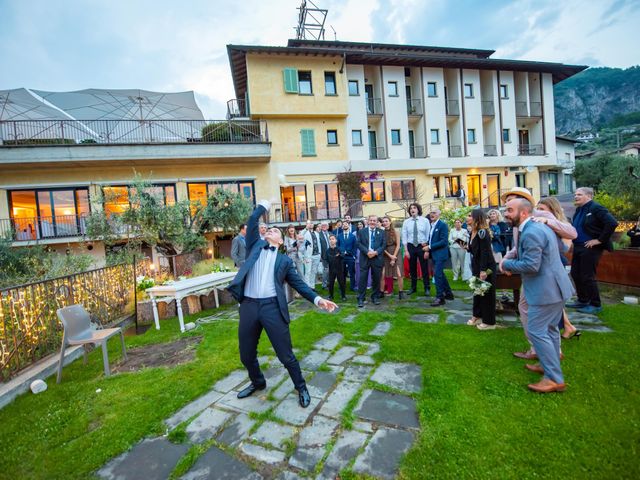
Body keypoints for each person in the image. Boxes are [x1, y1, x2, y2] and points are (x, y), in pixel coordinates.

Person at [226, 200, 337, 408]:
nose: (270, 230)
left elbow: (300, 285)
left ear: (280, 241)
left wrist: (318, 299)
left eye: (275, 230)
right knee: (246, 354)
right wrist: (263, 206)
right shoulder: (253, 246)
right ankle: (258, 382)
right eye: (269, 228)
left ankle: (301, 386)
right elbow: (252, 221)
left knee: (285, 355)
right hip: (249, 306)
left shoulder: (284, 261)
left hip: (272, 308)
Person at [502, 198, 574, 393]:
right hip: (555, 287)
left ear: (524, 213)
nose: (506, 213)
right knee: (549, 329)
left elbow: (531, 266)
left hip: (546, 290)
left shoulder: (532, 232)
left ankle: (553, 378)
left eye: (510, 210)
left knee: (536, 330)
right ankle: (547, 365)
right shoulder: (536, 227)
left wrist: (506, 264)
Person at [567, 187, 618, 314]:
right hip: (578, 246)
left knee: (587, 276)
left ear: (589, 196)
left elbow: (612, 223)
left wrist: (599, 240)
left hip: (591, 247)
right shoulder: (579, 209)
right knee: (575, 273)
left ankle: (596, 304)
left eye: (579, 194)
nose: (576, 197)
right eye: (575, 194)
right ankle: (583, 300)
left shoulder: (596, 208)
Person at [535, 197, 580, 340]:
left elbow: (566, 247)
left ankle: (564, 328)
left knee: (554, 299)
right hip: (543, 262)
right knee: (552, 300)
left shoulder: (561, 224)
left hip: (556, 262)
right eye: (538, 209)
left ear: (552, 211)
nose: (539, 212)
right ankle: (567, 326)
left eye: (542, 209)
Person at [467, 210, 497, 330]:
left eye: (470, 216)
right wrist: (466, 246)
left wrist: (483, 270)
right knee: (478, 292)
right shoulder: (472, 232)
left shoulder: (482, 232)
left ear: (476, 218)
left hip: (486, 266)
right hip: (477, 265)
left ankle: (489, 322)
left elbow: (485, 252)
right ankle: (477, 316)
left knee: (487, 294)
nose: (467, 217)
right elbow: (474, 249)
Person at [401, 202, 431, 297]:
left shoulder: (425, 221)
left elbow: (428, 234)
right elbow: (404, 236)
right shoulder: (406, 222)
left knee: (424, 267)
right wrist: (406, 250)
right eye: (411, 208)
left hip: (422, 246)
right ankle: (413, 287)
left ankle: (427, 287)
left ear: (418, 210)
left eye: (414, 208)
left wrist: (427, 250)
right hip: (410, 246)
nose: (412, 210)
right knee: (412, 268)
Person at [357, 215, 386, 308]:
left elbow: (383, 244)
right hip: (365, 257)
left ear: (377, 222)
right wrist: (367, 252)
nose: (373, 222)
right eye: (371, 220)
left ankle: (375, 297)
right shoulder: (362, 231)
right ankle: (361, 298)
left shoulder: (381, 232)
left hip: (377, 258)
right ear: (368, 222)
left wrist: (376, 252)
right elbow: (358, 243)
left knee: (377, 278)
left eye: (374, 220)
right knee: (363, 278)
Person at [427, 208, 454, 306]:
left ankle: (440, 298)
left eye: (434, 213)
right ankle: (448, 293)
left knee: (437, 274)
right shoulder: (432, 225)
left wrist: (429, 247)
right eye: (431, 213)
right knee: (440, 274)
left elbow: (443, 241)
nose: (432, 214)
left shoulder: (442, 225)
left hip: (441, 254)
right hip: (434, 254)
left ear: (439, 214)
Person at [381, 216, 404, 299]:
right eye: (383, 221)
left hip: (396, 253)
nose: (384, 223)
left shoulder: (396, 232)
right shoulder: (381, 233)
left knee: (399, 273)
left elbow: (398, 245)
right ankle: (381, 291)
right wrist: (390, 256)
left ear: (390, 222)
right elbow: (381, 247)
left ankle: (401, 292)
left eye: (386, 221)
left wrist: (394, 257)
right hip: (386, 254)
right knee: (384, 273)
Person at [324, 234, 346, 301]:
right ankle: (331, 296)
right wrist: (326, 265)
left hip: (339, 269)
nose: (331, 240)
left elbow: (343, 256)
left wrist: (339, 255)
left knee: (341, 283)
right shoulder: (327, 251)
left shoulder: (339, 249)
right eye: (330, 239)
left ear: (336, 240)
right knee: (330, 283)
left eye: (333, 239)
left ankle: (343, 296)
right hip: (331, 269)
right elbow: (326, 259)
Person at [337, 220, 358, 291]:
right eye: (343, 225)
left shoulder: (353, 236)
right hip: (342, 257)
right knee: (342, 272)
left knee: (352, 272)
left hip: (350, 257)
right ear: (342, 227)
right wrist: (342, 251)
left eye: (346, 224)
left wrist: (353, 255)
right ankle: (342, 286)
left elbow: (355, 246)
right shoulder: (339, 236)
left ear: (348, 226)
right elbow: (338, 246)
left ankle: (352, 287)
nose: (345, 226)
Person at [302, 221, 321, 288]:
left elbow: (319, 244)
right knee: (308, 272)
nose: (310, 224)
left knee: (314, 272)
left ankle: (312, 287)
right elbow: (300, 236)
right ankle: (307, 287)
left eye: (312, 223)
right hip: (308, 256)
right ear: (306, 224)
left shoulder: (316, 233)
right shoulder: (304, 233)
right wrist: (306, 228)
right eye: (309, 223)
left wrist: (320, 253)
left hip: (317, 255)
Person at [319, 221, 331, 289]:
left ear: (328, 227)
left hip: (331, 254)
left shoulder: (330, 234)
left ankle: (329, 283)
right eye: (323, 225)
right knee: (326, 270)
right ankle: (324, 284)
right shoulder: (319, 234)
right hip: (324, 255)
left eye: (325, 225)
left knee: (330, 270)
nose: (324, 226)